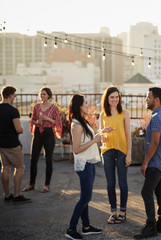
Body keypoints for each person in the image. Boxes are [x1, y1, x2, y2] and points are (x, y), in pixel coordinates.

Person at [134, 87, 161, 239]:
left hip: (156, 162)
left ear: (156, 99)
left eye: (148, 97)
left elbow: (154, 143)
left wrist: (145, 162)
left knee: (146, 192)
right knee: (160, 192)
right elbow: (156, 138)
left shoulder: (156, 117)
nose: (145, 100)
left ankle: (151, 226)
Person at [65, 94, 103, 240]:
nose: (88, 105)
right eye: (86, 103)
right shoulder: (77, 124)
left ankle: (86, 227)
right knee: (85, 198)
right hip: (84, 164)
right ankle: (71, 228)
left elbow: (88, 140)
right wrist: (95, 140)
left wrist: (100, 134)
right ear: (79, 105)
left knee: (85, 197)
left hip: (89, 162)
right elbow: (76, 149)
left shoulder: (82, 122)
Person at [99, 86, 132, 224]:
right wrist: (103, 137)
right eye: (112, 97)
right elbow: (101, 134)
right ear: (107, 99)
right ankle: (113, 212)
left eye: (117, 97)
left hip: (121, 150)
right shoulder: (102, 114)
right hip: (107, 151)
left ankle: (122, 212)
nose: (115, 99)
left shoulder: (125, 113)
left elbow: (128, 135)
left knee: (122, 182)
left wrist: (129, 153)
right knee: (110, 183)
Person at [23, 87, 62, 193]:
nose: (42, 96)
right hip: (37, 133)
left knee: (48, 160)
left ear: (49, 95)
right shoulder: (36, 106)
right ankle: (31, 184)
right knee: (33, 159)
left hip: (48, 133)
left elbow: (57, 122)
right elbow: (33, 120)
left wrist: (46, 118)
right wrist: (37, 122)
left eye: (44, 94)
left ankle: (46, 185)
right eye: (41, 94)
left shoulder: (54, 107)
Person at [0, 86, 31, 204]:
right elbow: (19, 129)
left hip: (1, 144)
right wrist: (21, 128)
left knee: (5, 168)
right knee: (19, 167)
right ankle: (17, 195)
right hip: (12, 144)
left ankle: (7, 195)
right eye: (15, 95)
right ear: (11, 95)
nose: (15, 97)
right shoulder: (13, 110)